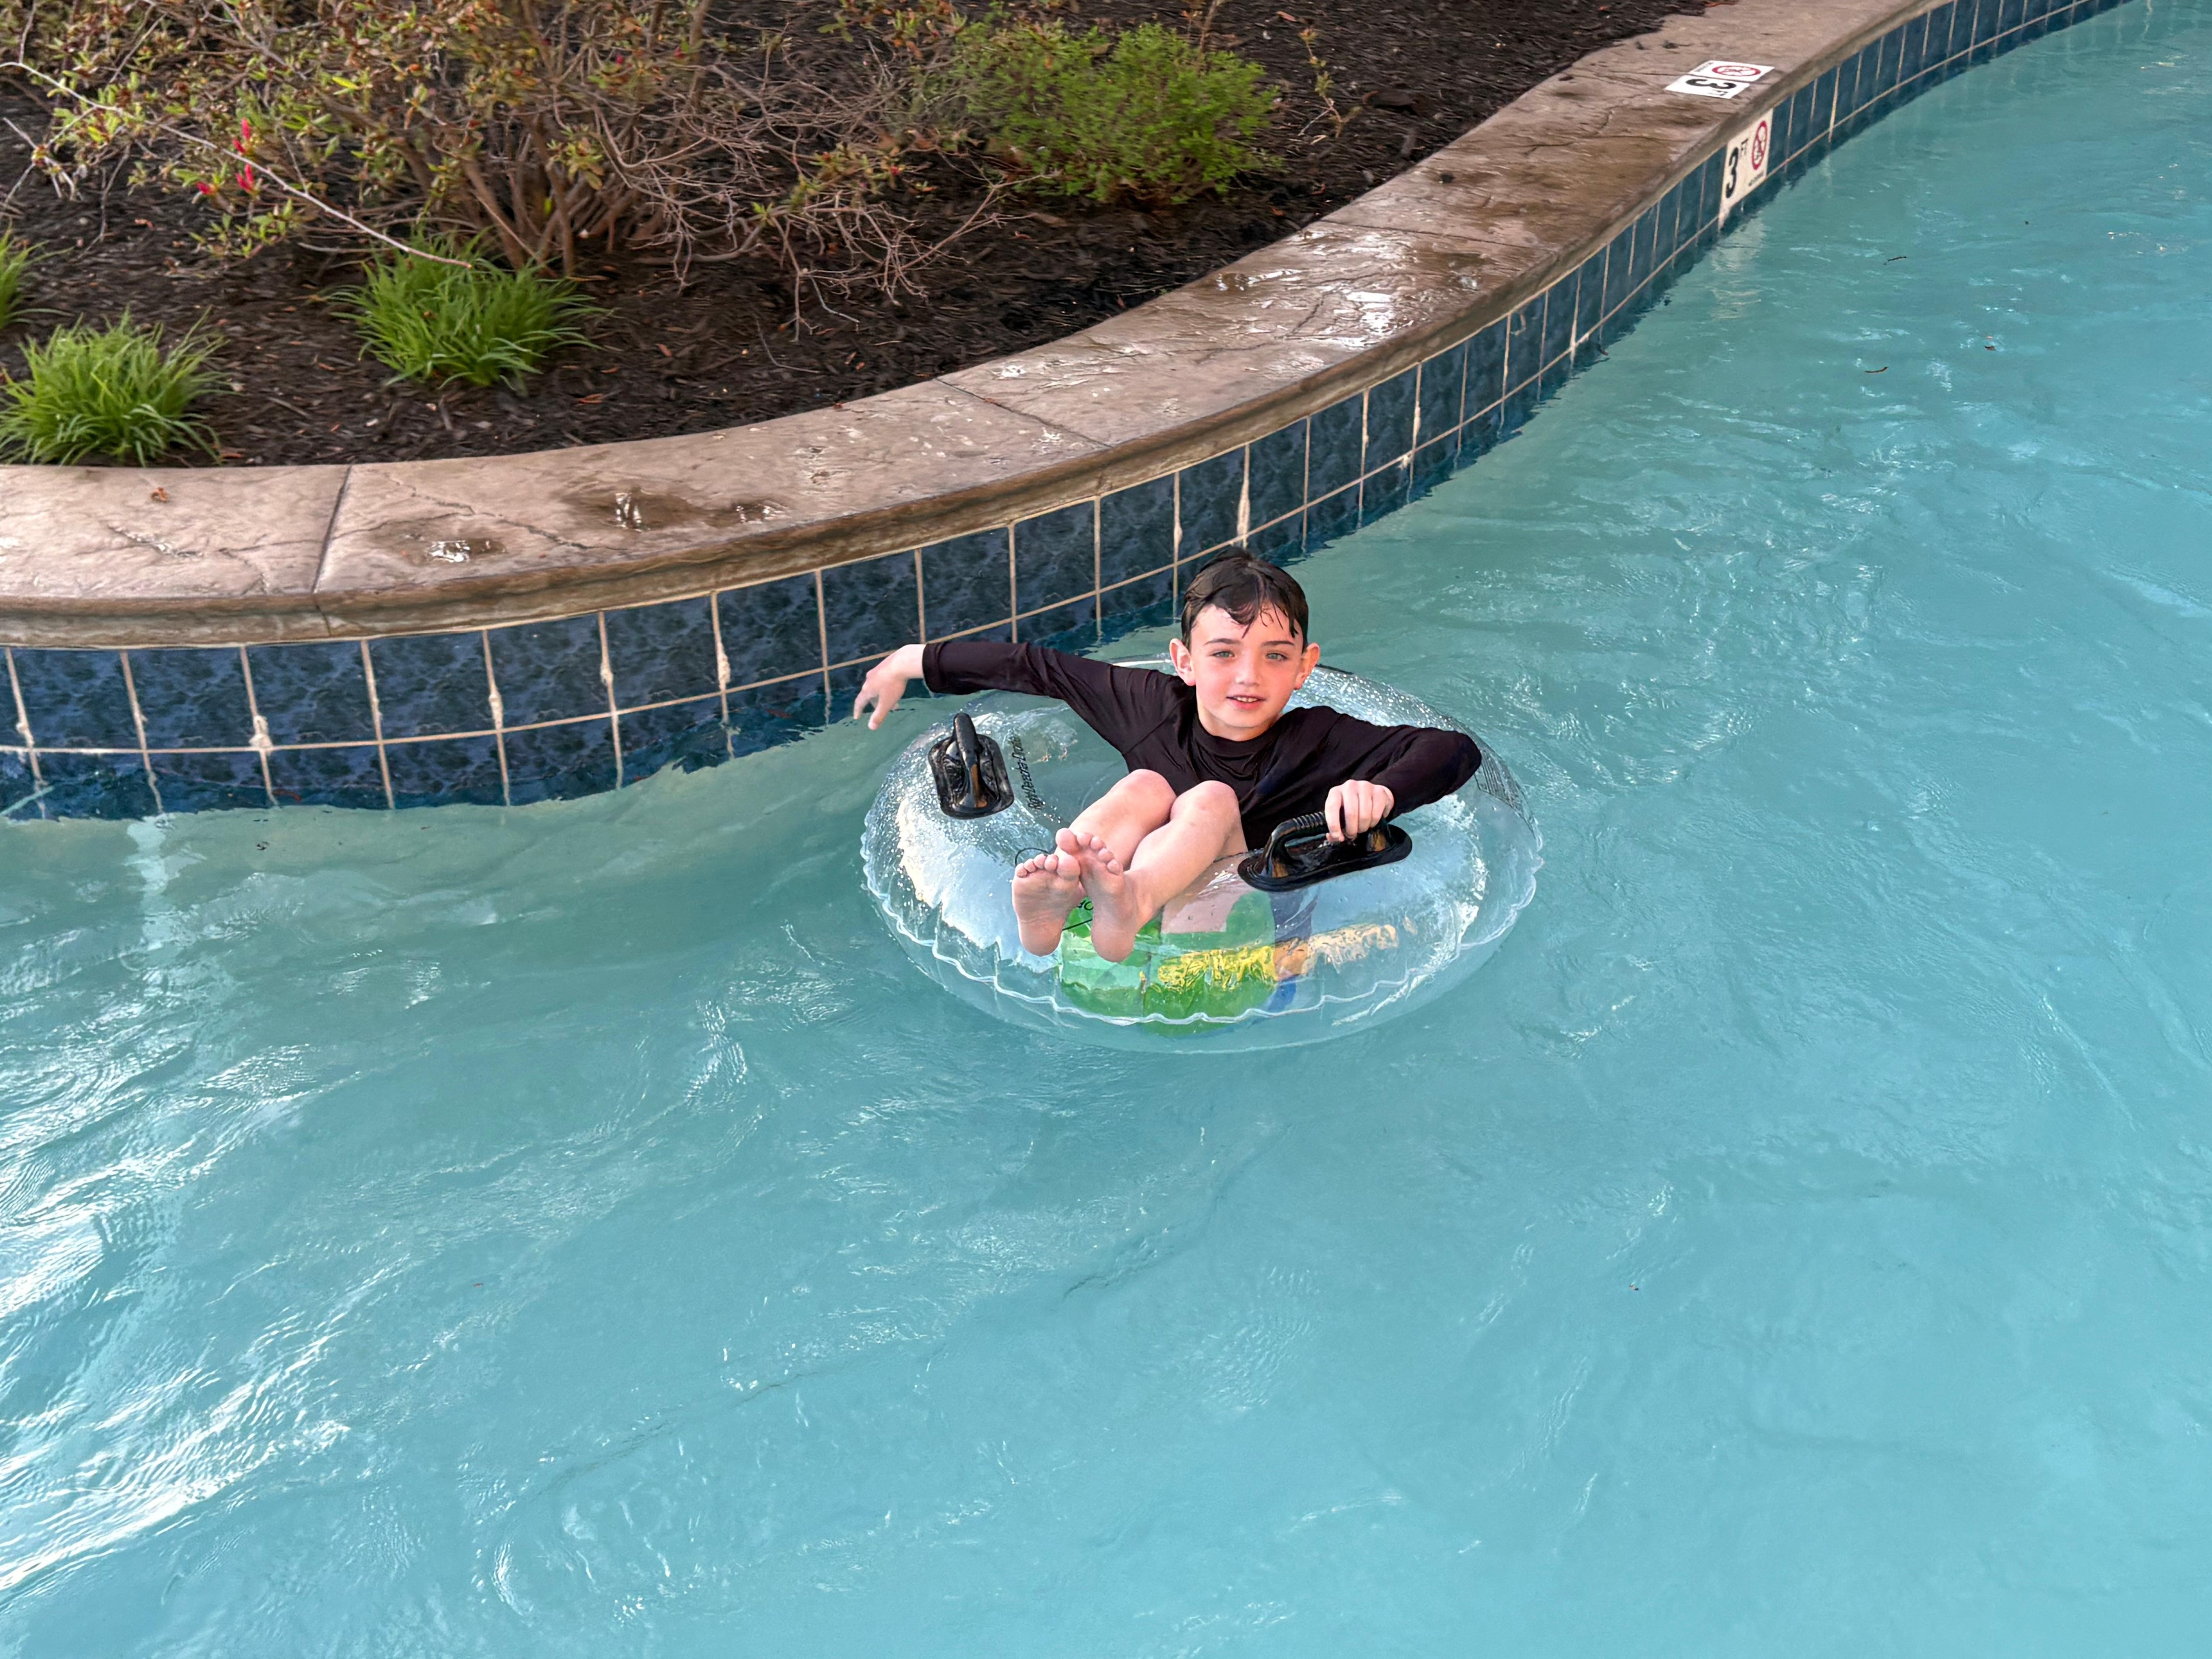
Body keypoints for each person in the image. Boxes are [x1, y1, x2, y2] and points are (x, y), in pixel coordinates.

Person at [852, 550, 1480, 964]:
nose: (1249, 676)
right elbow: (1039, 668)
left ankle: (1130, 900)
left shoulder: (1320, 739)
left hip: (1237, 945)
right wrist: (914, 659)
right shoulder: (1151, 704)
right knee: (1148, 787)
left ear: (1305, 668)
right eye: (1224, 653)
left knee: (1206, 800)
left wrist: (1382, 791)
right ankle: (1062, 897)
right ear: (1183, 661)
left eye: (1276, 656)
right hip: (1127, 924)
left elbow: (1452, 749)